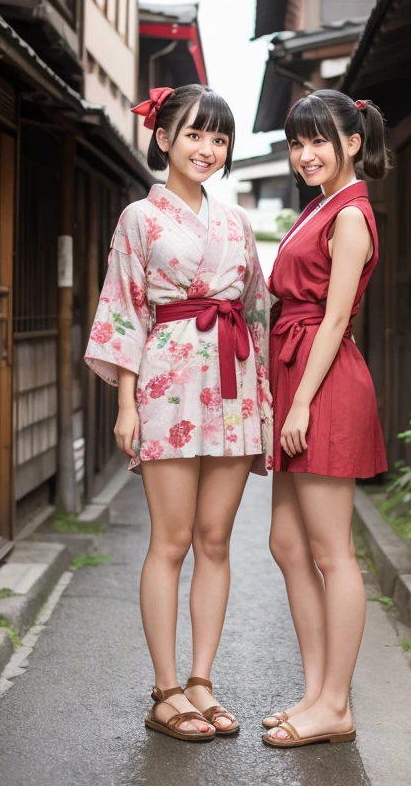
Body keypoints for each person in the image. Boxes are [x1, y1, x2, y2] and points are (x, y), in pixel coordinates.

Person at [85, 84, 271, 742]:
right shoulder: (140, 217)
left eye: (219, 138)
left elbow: (255, 310)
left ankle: (201, 680)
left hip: (233, 384)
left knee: (214, 541)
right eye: (194, 134)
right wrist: (124, 399)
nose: (208, 148)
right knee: (169, 540)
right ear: (164, 138)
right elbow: (125, 306)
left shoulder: (238, 224)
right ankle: (165, 689)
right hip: (167, 385)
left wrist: (266, 404)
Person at [262, 89, 388, 749]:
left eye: (320, 141)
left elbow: (336, 317)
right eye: (297, 143)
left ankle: (335, 703)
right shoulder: (324, 205)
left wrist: (303, 400)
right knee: (287, 545)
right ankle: (314, 693)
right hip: (302, 375)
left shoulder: (352, 215)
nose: (307, 154)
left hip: (324, 381)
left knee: (332, 552)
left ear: (354, 142)